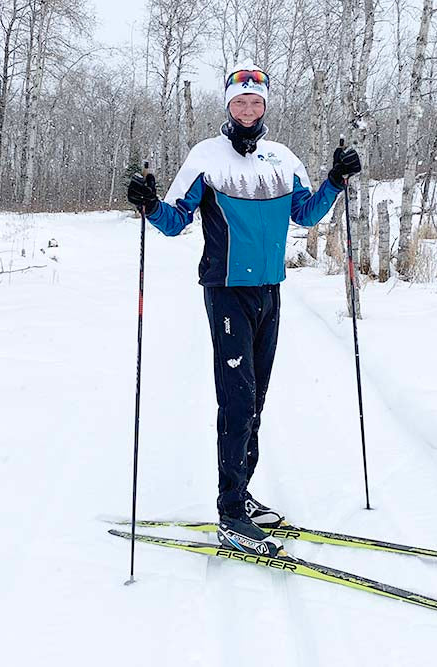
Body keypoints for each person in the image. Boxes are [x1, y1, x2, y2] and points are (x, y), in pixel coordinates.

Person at [126, 64, 361, 557]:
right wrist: (149, 206)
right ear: (228, 106)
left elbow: (306, 214)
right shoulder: (205, 158)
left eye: (256, 102)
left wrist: (335, 181)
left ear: (265, 107)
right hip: (227, 291)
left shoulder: (283, 158)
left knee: (255, 400)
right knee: (236, 399)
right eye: (240, 102)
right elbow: (174, 222)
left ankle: (242, 492)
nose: (248, 109)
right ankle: (230, 512)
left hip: (270, 292)